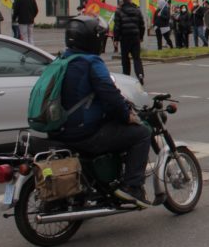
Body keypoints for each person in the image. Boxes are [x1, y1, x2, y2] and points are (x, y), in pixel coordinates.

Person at [51, 16, 153, 207]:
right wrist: (126, 114)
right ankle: (132, 186)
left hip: (61, 129)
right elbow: (109, 94)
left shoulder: (63, 59)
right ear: (91, 39)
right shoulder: (91, 62)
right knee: (141, 133)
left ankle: (99, 185)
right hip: (83, 132)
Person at [112, 0, 145, 84]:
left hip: (125, 37)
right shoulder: (137, 10)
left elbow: (117, 26)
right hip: (135, 36)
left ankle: (126, 76)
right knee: (137, 58)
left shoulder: (119, 11)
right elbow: (142, 24)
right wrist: (141, 36)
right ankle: (140, 75)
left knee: (125, 58)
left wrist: (116, 39)